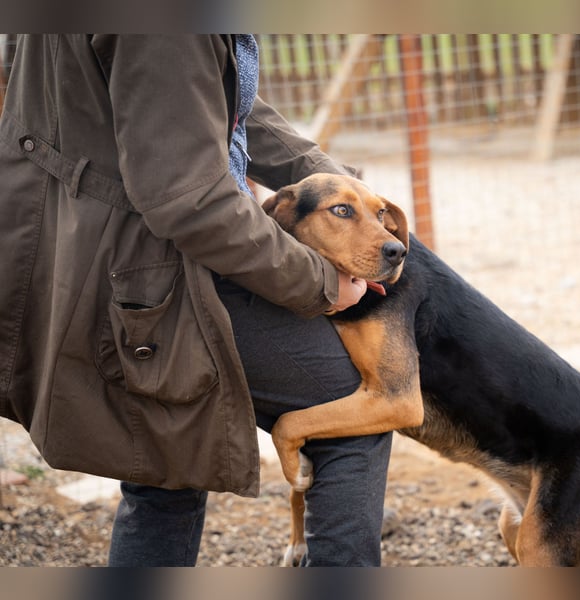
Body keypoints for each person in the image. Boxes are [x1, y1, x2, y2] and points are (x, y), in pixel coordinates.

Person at [0, 34, 392, 566]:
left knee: (167, 461)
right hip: (153, 271)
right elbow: (190, 197)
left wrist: (337, 186)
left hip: (85, 252)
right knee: (349, 412)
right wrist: (318, 282)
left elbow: (212, 109)